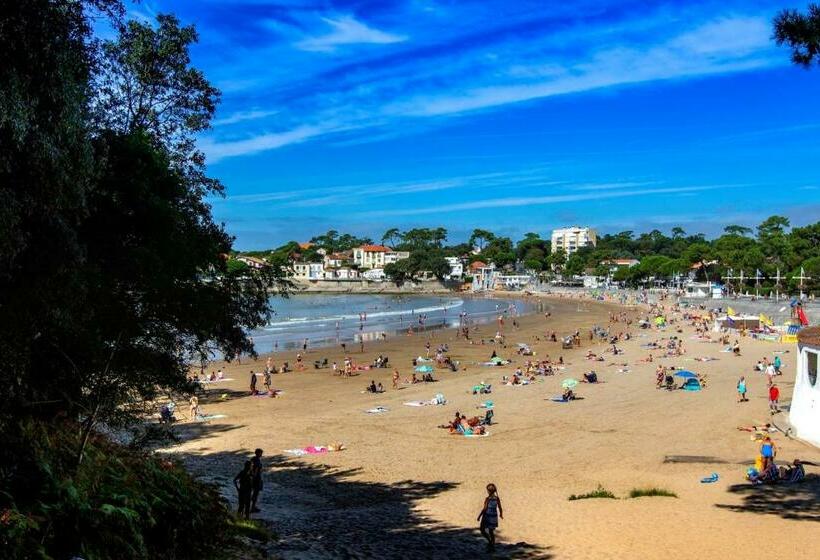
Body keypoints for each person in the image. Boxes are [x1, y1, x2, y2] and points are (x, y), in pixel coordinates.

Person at [477, 483, 503, 552]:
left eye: (487, 491)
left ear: (489, 491)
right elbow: (500, 507)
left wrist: (479, 516)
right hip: (494, 517)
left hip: (487, 516)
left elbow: (484, 509)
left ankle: (489, 541)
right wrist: (501, 514)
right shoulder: (497, 498)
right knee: (491, 532)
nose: (487, 492)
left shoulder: (487, 499)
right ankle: (492, 545)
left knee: (482, 529)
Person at [250, 448, 264, 513]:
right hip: (257, 478)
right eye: (261, 453)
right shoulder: (257, 461)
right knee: (255, 493)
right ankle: (253, 507)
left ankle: (251, 506)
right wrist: (255, 478)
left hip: (253, 478)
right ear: (258, 453)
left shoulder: (252, 459)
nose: (261, 454)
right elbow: (255, 470)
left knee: (252, 492)